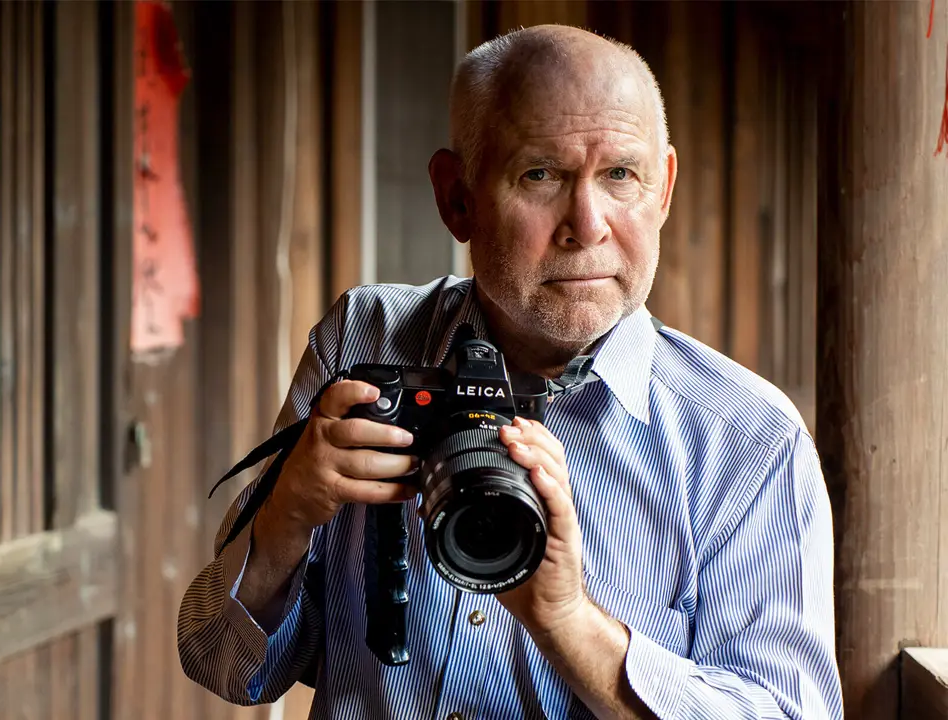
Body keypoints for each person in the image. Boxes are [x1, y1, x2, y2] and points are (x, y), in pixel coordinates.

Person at [176, 24, 843, 720]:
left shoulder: (746, 439)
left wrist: (567, 622)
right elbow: (218, 662)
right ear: (457, 197)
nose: (587, 225)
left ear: (664, 188)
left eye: (620, 174)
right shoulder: (365, 342)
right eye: (541, 175)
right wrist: (286, 517)